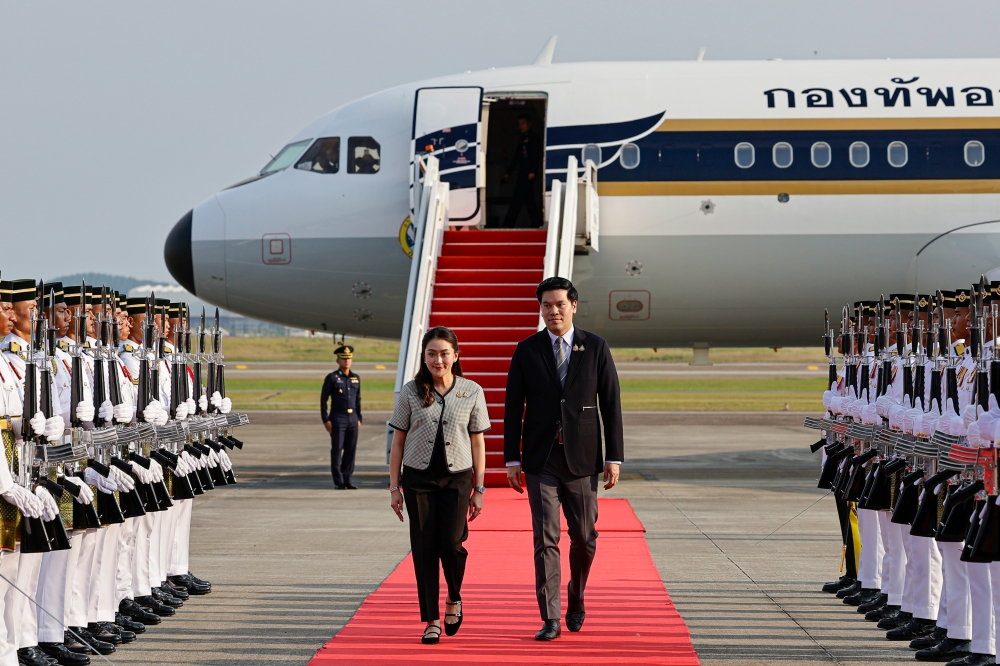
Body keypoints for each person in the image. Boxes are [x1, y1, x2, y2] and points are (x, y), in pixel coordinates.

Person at [503, 276, 624, 640]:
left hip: (583, 457)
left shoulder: (596, 347)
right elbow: (512, 408)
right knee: (546, 538)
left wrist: (614, 456)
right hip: (541, 458)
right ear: (540, 309)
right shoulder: (527, 349)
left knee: (585, 536)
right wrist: (512, 459)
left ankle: (576, 594)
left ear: (573, 305)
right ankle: (551, 616)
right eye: (546, 305)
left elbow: (611, 403)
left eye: (559, 304)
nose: (552, 311)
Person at [387, 327, 488, 644]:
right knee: (424, 548)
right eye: (431, 353)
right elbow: (398, 443)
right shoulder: (410, 391)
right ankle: (431, 619)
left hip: (458, 478)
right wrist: (394, 488)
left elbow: (478, 442)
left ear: (455, 356)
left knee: (452, 544)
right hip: (418, 479)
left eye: (444, 353)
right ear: (424, 356)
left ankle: (454, 597)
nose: (438, 359)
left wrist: (480, 489)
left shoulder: (471, 390)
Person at [321, 345, 362, 489]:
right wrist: (325, 419)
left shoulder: (355, 378)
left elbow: (358, 400)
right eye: (344, 359)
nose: (346, 361)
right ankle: (338, 481)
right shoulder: (332, 378)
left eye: (349, 358)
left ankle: (347, 479)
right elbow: (323, 400)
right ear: (338, 360)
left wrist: (359, 418)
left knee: (351, 450)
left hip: (353, 419)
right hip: (338, 418)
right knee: (337, 449)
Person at [500, 115, 543, 229]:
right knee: (528, 200)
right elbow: (517, 157)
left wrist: (533, 171)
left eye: (523, 123)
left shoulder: (534, 138)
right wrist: (509, 172)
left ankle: (508, 223)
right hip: (522, 172)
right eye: (519, 124)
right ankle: (536, 222)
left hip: (529, 173)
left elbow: (535, 156)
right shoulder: (522, 138)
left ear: (529, 124)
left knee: (518, 198)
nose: (520, 126)